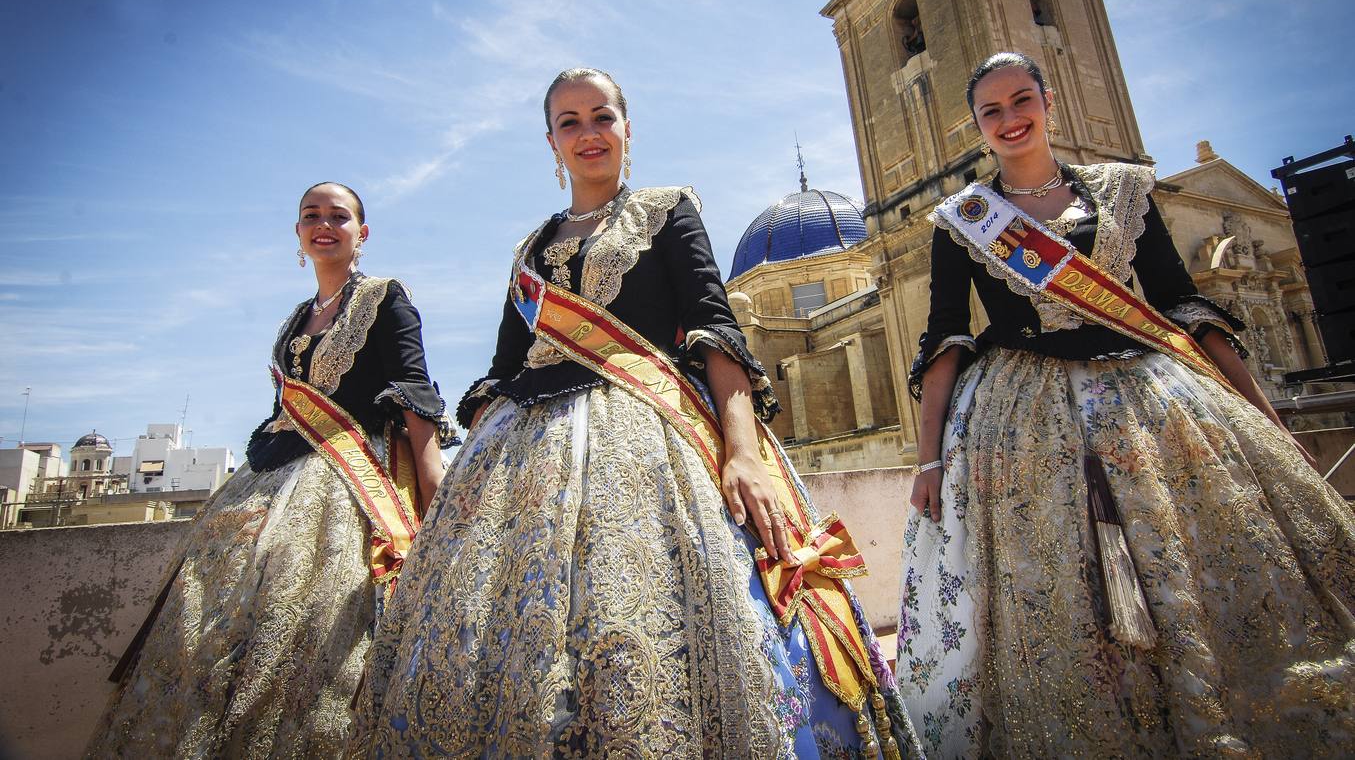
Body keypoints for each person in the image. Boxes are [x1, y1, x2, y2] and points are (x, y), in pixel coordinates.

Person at [348, 68, 922, 757]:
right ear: (550, 141)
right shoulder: (529, 251)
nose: (587, 133)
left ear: (626, 127)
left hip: (650, 433)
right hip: (524, 452)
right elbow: (505, 368)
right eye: (569, 122)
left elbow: (714, 326)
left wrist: (741, 454)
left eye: (601, 117)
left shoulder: (666, 209)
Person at [897, 52, 1355, 757]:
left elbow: (1182, 306)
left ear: (1047, 102)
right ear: (979, 127)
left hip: (1150, 400)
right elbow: (944, 339)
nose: (1010, 119)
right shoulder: (962, 219)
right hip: (1021, 416)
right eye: (992, 111)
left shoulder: (1122, 190)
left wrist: (1263, 417)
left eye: (1021, 100)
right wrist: (928, 459)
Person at [88, 182, 457, 758]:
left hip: (349, 479)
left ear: (363, 232)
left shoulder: (386, 297)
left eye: (340, 216)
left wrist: (433, 487)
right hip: (275, 474)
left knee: (312, 628)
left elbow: (414, 388)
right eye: (312, 216)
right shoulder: (295, 319)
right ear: (298, 234)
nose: (325, 225)